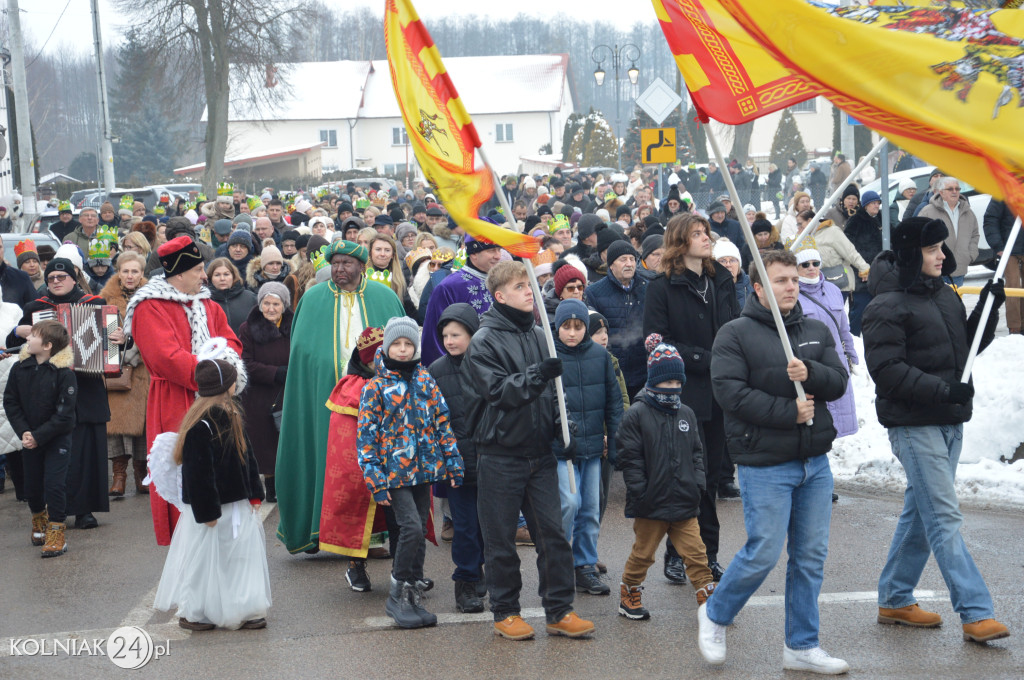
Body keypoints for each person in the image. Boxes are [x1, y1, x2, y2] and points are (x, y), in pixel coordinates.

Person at [701, 248, 849, 674]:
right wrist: (789, 412)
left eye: (794, 279)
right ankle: (715, 614)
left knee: (810, 556)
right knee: (763, 551)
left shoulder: (816, 329)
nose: (790, 286)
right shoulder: (735, 334)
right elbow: (730, 393)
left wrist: (811, 375)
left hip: (814, 464)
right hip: (764, 462)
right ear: (759, 288)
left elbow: (838, 381)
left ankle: (801, 645)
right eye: (780, 280)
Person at [863, 216, 1009, 644]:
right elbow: (887, 371)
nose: (942, 255)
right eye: (933, 250)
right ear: (913, 254)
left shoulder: (944, 295)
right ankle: (976, 612)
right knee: (943, 516)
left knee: (921, 513)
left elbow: (962, 351)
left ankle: (894, 598)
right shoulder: (885, 306)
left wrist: (988, 308)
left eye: (942, 248)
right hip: (913, 424)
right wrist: (944, 390)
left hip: (948, 419)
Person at [464, 260, 595, 641]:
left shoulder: (540, 335)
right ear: (500, 295)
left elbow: (554, 397)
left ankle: (559, 609)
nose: (529, 291)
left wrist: (563, 431)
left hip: (539, 454)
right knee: (501, 540)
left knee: (553, 535)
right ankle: (506, 611)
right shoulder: (484, 341)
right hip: (499, 454)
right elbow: (500, 392)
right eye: (521, 286)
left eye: (529, 285)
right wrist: (540, 375)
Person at [274, 240, 405, 555]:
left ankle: (371, 539)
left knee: (367, 467)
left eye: (347, 263)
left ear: (362, 267)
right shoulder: (313, 299)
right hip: (325, 399)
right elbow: (302, 351)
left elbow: (401, 346)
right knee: (325, 462)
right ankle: (318, 530)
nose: (340, 269)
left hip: (373, 400)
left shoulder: (384, 297)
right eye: (335, 263)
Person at [125, 235, 247, 546]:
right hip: (175, 401)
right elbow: (166, 359)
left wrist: (227, 363)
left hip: (217, 400)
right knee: (186, 473)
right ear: (179, 273)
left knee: (220, 469)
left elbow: (230, 340)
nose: (205, 276)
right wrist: (216, 376)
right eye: (199, 270)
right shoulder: (149, 308)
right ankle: (189, 545)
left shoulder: (206, 303)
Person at [644, 213, 739, 584]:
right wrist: (704, 358)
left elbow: (733, 327)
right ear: (680, 242)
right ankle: (677, 553)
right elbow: (656, 340)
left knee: (711, 478)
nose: (706, 239)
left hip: (719, 394)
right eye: (698, 234)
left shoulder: (722, 278)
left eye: (707, 233)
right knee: (686, 479)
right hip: (682, 394)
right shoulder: (662, 286)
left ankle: (708, 554)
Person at [357, 317, 464, 629]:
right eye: (397, 344)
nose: (402, 350)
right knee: (411, 530)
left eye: (408, 344)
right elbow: (366, 438)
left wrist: (453, 462)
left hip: (424, 471)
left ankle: (413, 593)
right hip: (394, 475)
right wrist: (376, 480)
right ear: (388, 346)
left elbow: (442, 422)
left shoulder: (425, 380)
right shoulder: (375, 387)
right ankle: (397, 594)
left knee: (418, 531)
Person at [153, 355, 270, 631]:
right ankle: (197, 611)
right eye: (232, 381)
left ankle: (245, 607)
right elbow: (197, 474)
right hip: (212, 509)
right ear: (226, 386)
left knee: (240, 557)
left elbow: (247, 457)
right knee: (205, 561)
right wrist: (207, 512)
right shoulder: (201, 426)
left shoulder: (232, 415)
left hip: (238, 504)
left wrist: (254, 493)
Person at [616, 334, 716, 620]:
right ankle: (629, 591)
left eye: (676, 383)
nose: (672, 389)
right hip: (651, 503)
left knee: (697, 554)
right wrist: (641, 491)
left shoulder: (686, 413)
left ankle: (708, 597)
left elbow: (696, 453)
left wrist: (698, 484)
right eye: (666, 382)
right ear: (653, 380)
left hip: (684, 500)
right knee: (643, 554)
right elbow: (630, 459)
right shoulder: (636, 415)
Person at [12, 258, 113, 530]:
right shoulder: (36, 309)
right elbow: (14, 342)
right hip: (48, 391)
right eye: (52, 278)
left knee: (86, 451)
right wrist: (18, 330)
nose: (56, 281)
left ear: (73, 277)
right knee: (56, 452)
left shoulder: (96, 304)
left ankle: (85, 510)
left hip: (87, 387)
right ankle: (54, 510)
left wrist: (120, 340)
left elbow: (114, 343)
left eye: (61, 277)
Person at [552, 298, 623, 596]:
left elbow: (614, 403)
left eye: (578, 326)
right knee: (569, 502)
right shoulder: (549, 358)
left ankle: (584, 565)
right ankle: (558, 558)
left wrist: (616, 441)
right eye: (566, 326)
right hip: (561, 449)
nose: (572, 332)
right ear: (556, 328)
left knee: (591, 508)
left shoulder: (600, 356)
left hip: (593, 446)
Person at [428, 303, 486, 613]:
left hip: (490, 461)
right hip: (457, 464)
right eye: (446, 335)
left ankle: (480, 568)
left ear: (472, 335)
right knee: (464, 526)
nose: (450, 341)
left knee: (488, 526)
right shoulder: (436, 371)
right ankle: (465, 583)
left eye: (457, 334)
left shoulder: (488, 364)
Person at [4, 320, 76, 557]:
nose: (27, 338)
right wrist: (24, 432)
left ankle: (57, 531)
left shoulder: (64, 374)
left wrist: (39, 435)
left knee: (54, 485)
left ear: (46, 345)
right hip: (29, 438)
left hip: (55, 440)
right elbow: (11, 402)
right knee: (31, 487)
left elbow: (65, 415)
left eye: (33, 335)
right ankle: (38, 518)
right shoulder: (19, 368)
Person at [794, 242, 860, 442]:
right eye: (805, 264)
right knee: (817, 414)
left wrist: (850, 351)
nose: (811, 268)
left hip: (836, 359)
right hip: (810, 361)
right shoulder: (793, 292)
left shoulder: (832, 289)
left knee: (839, 408)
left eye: (815, 263)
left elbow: (843, 326)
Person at [100, 252, 151, 497]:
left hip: (144, 369)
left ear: (142, 273)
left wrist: (130, 346)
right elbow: (100, 334)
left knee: (142, 426)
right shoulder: (104, 298)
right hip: (116, 371)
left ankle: (142, 474)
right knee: (117, 426)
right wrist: (117, 348)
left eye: (135, 271)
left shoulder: (151, 298)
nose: (130, 276)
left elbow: (155, 334)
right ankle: (119, 476)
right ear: (118, 272)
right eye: (125, 271)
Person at [238, 282, 292, 505]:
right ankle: (271, 487)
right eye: (266, 303)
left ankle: (289, 484)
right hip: (261, 395)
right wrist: (274, 373)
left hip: (288, 390)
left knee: (287, 440)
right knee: (266, 443)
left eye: (276, 304)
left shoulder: (294, 325)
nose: (271, 308)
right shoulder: (248, 328)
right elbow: (246, 362)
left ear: (284, 305)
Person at [419, 236, 503, 365]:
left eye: (499, 250)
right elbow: (434, 339)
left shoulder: (501, 283)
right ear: (474, 253)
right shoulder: (449, 287)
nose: (498, 256)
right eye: (491, 250)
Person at [584, 240, 648, 399]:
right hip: (612, 372)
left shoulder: (648, 288)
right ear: (611, 265)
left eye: (632, 259)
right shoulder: (594, 292)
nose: (629, 264)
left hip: (644, 373)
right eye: (623, 259)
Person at [917, 177, 979, 287]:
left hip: (959, 268)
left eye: (957, 189)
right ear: (941, 192)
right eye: (950, 189)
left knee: (956, 301)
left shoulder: (968, 212)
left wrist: (970, 255)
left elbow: (975, 235)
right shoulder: (927, 211)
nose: (954, 192)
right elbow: (918, 237)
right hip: (936, 269)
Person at [843, 190, 885, 335]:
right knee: (860, 308)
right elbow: (847, 247)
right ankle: (853, 336)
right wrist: (860, 268)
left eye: (878, 202)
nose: (876, 206)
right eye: (873, 203)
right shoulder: (856, 221)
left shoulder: (882, 218)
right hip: (861, 273)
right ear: (865, 205)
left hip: (881, 271)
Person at [984, 199, 1022, 334]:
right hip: (1008, 249)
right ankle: (1015, 327)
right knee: (1013, 287)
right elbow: (990, 220)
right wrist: (998, 246)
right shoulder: (1002, 192)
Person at [207, 258, 258, 336]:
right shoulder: (205, 302)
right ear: (210, 278)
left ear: (233, 276)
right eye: (217, 275)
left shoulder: (251, 298)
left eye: (226, 274)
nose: (222, 279)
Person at [713, 238, 751, 309]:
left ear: (739, 263)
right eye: (722, 261)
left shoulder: (751, 284)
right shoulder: (710, 288)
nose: (728, 264)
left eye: (732, 260)